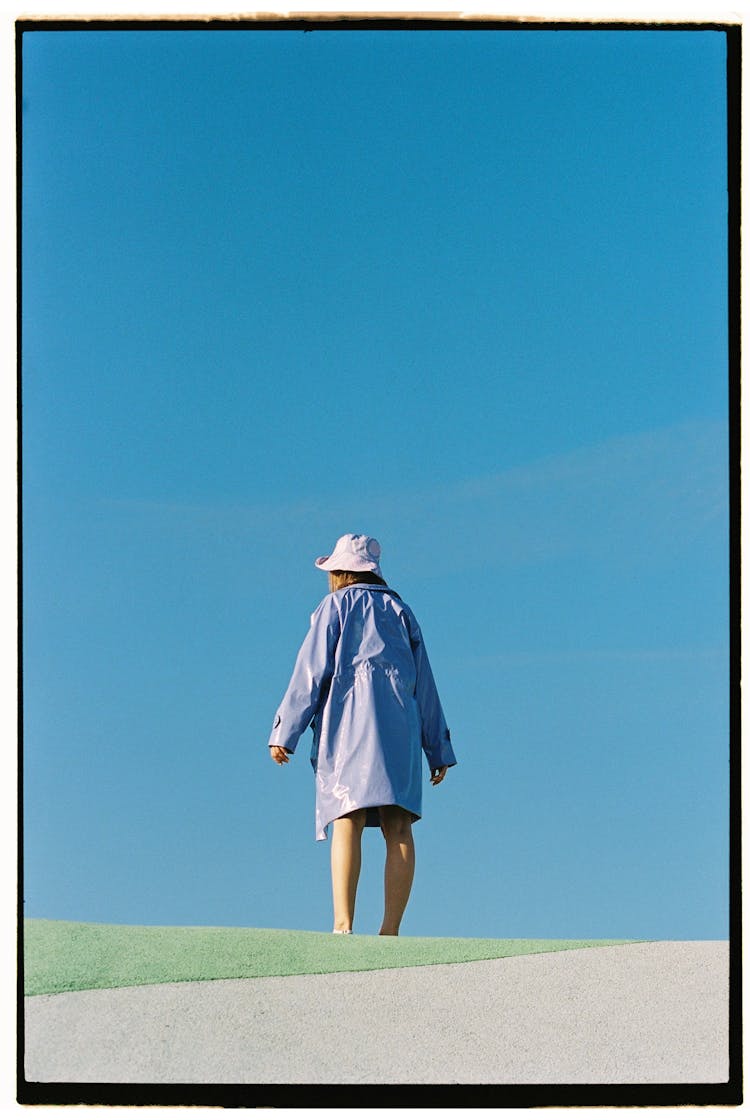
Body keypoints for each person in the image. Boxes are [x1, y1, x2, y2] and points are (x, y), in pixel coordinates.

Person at [269, 533, 457, 936]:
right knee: (399, 824)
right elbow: (425, 683)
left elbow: (310, 671)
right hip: (400, 727)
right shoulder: (401, 611)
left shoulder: (334, 607)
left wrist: (286, 730)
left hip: (348, 725)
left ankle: (343, 924)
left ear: (339, 572)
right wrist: (437, 748)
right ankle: (390, 930)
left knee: (347, 817)